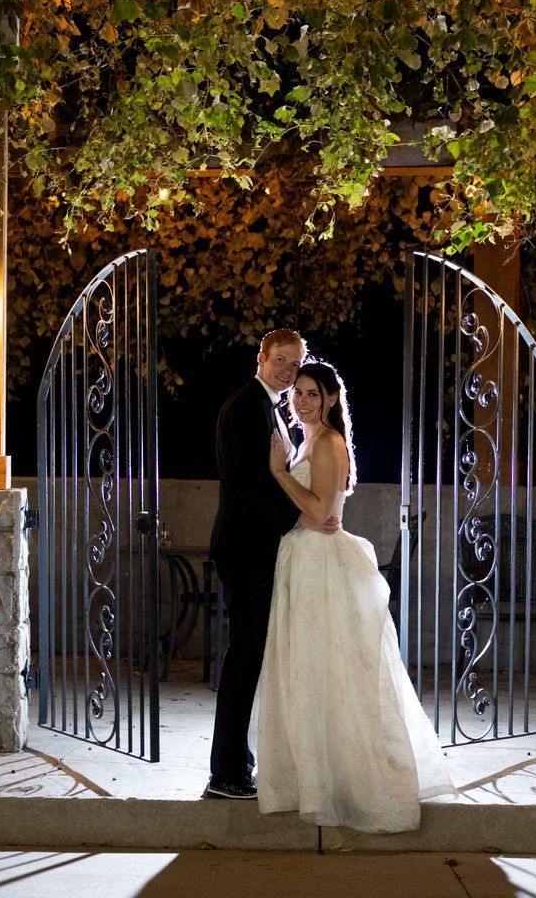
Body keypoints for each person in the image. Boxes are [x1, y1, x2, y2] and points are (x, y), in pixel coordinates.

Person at [255, 358, 456, 833]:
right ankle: (310, 776)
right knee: (308, 672)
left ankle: (352, 782)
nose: (301, 401)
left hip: (322, 565)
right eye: (297, 393)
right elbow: (309, 513)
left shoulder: (326, 443)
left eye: (311, 393)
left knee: (335, 672)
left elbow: (320, 510)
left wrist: (279, 474)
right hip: (303, 561)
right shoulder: (308, 440)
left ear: (329, 398)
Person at [204, 328, 339, 800]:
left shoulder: (272, 408)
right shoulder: (246, 407)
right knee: (244, 658)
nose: (286, 370)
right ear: (260, 357)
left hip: (260, 550)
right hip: (246, 551)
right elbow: (245, 486)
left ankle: (237, 761)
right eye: (280, 360)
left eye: (294, 363)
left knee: (250, 657)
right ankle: (226, 774)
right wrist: (302, 515)